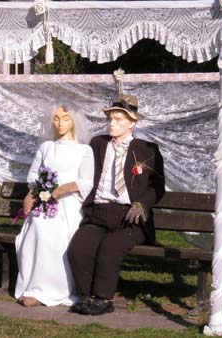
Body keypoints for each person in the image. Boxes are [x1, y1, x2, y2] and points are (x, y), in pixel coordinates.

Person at [67, 93, 165, 316]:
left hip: (129, 218)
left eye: (119, 119)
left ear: (132, 122)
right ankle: (84, 296)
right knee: (79, 248)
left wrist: (141, 204)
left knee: (109, 249)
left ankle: (103, 298)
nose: (112, 123)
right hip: (99, 213)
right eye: (110, 118)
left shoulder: (147, 150)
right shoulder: (98, 144)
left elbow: (158, 186)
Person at [15, 102, 94, 307]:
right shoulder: (46, 147)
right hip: (44, 202)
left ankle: (56, 289)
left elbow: (86, 182)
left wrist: (63, 189)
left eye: (66, 118)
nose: (60, 123)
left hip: (68, 205)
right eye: (57, 118)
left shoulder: (84, 150)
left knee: (55, 235)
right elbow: (33, 175)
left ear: (74, 121)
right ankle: (34, 287)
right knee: (36, 230)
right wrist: (35, 192)